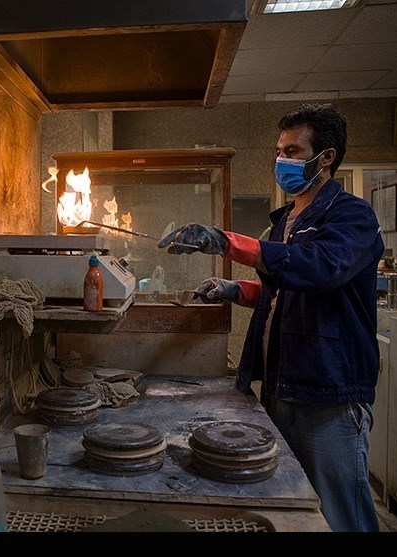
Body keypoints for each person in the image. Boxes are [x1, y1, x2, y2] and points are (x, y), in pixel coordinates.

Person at [158, 103, 384, 532]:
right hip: (282, 383)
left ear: (327, 157)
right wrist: (235, 290)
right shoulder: (286, 223)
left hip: (329, 393)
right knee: (293, 508)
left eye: (294, 151)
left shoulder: (352, 216)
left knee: (341, 514)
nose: (283, 160)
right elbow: (286, 292)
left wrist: (226, 243)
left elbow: (318, 269)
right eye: (280, 150)